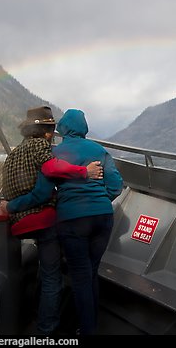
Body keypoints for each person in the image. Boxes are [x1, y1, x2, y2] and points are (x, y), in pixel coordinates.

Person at [0, 106, 103, 335]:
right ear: (46, 131)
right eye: (51, 129)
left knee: (45, 268)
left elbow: (11, 191)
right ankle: (47, 329)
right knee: (52, 279)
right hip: (41, 220)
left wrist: (11, 207)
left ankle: (37, 312)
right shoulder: (40, 146)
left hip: (18, 223)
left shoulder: (12, 154)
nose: (52, 134)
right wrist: (84, 172)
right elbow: (47, 178)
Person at [52, 108, 123, 335]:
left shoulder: (56, 152)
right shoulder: (99, 150)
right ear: (84, 128)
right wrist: (102, 200)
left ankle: (87, 329)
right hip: (103, 218)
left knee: (81, 276)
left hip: (73, 220)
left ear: (62, 128)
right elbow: (115, 185)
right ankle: (89, 323)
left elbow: (45, 189)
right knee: (91, 272)